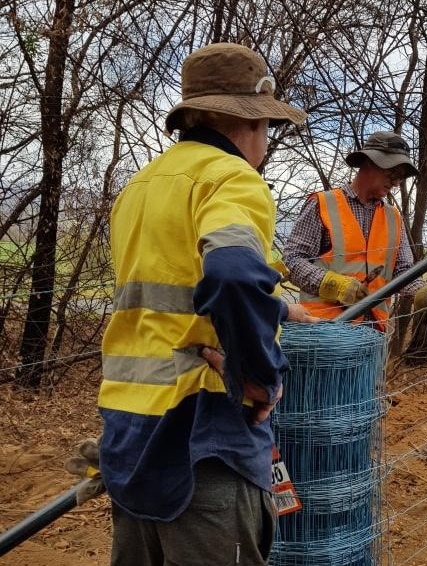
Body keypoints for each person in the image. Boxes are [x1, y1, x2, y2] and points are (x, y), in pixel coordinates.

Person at [84, 42, 314, 566]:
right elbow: (231, 273)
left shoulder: (138, 189)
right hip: (203, 439)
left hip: (128, 438)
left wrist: (277, 304)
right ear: (249, 124)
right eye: (267, 128)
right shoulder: (233, 179)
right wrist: (259, 375)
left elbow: (176, 290)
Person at [283, 131, 427, 332]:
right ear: (369, 163)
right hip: (323, 331)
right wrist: (334, 285)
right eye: (393, 173)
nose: (397, 182)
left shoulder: (394, 218)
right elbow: (292, 261)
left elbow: (401, 271)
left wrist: (422, 292)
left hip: (373, 333)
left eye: (401, 177)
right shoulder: (322, 204)